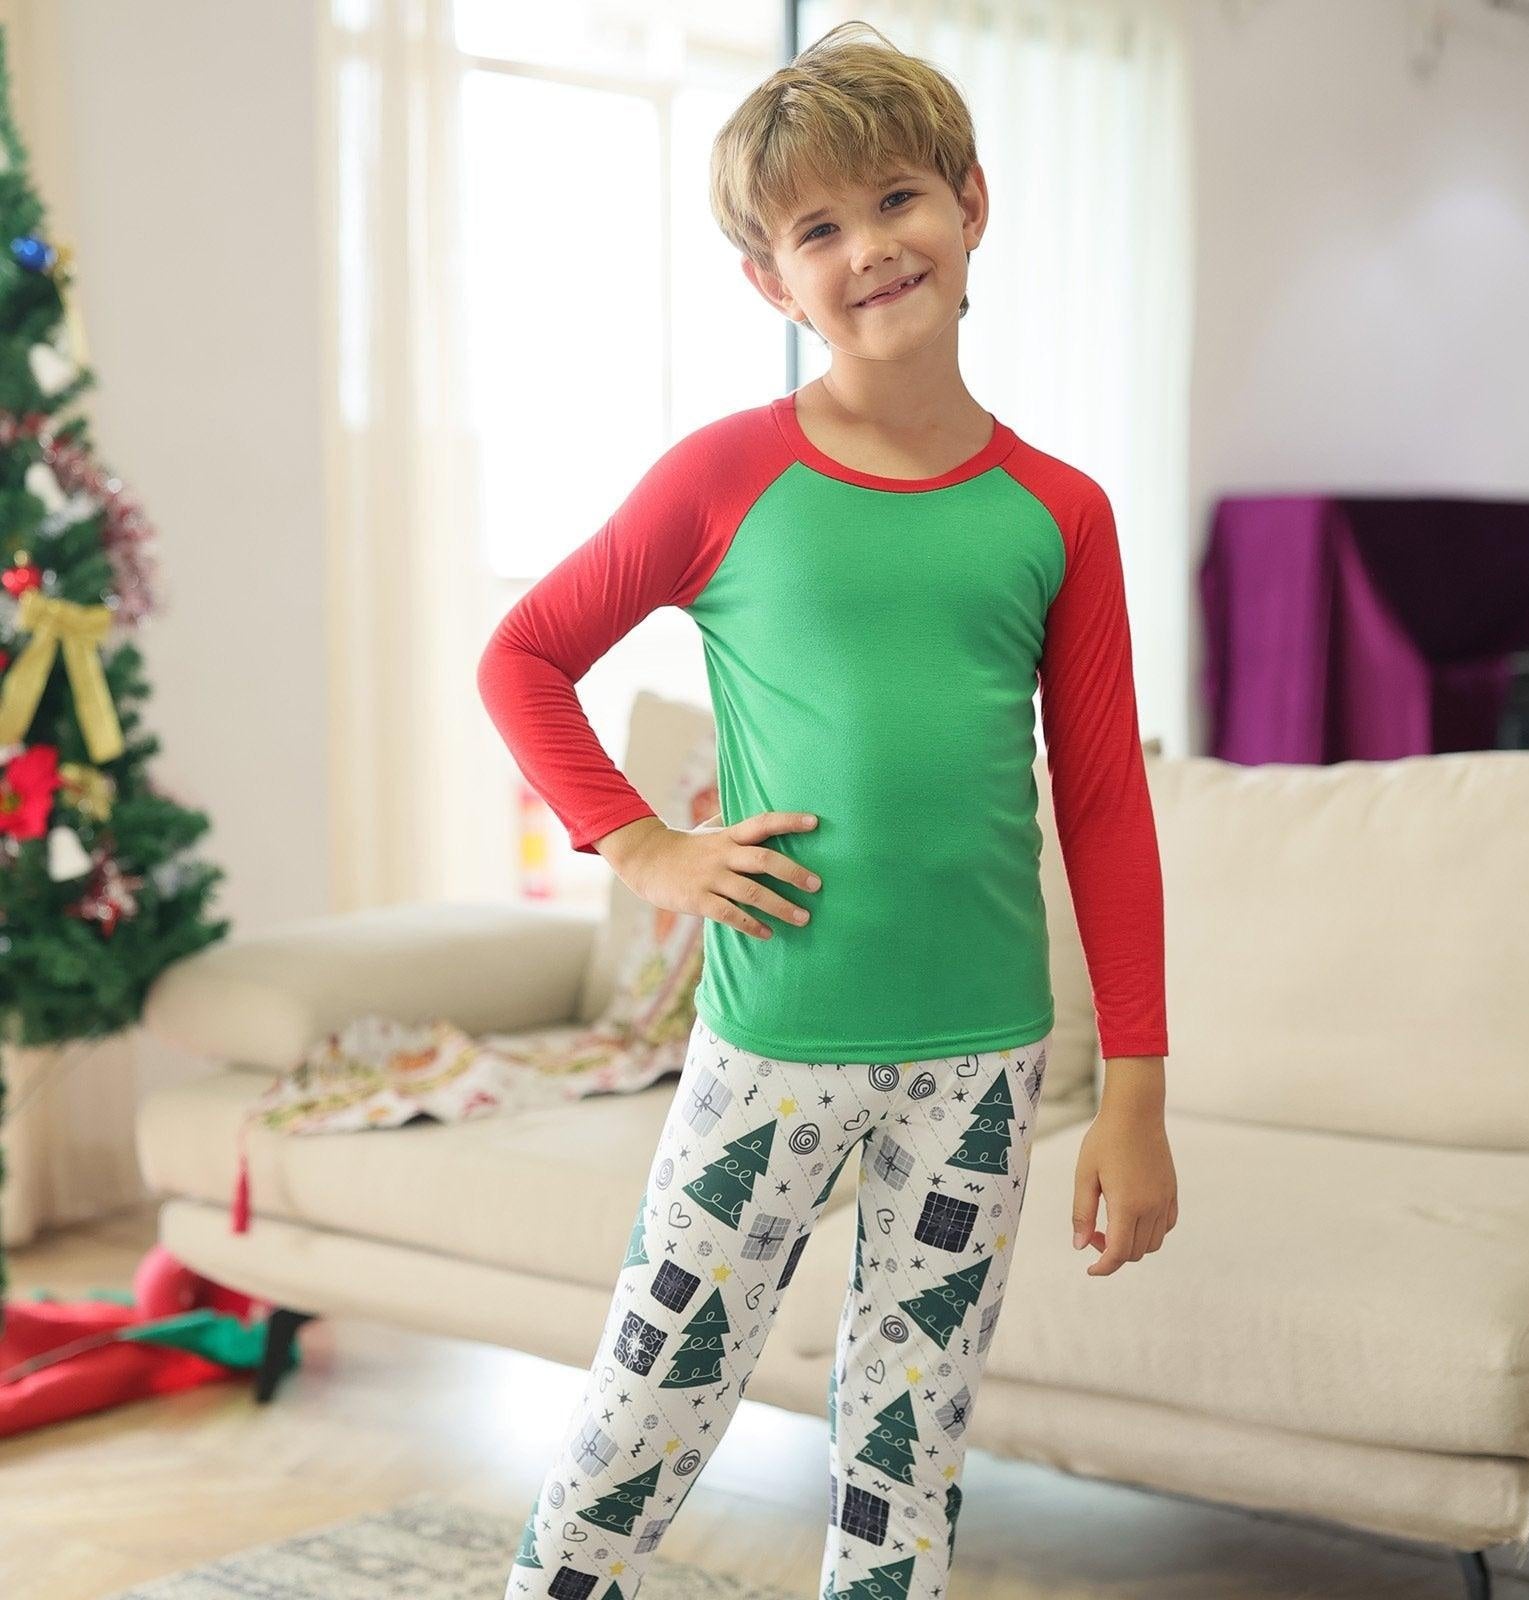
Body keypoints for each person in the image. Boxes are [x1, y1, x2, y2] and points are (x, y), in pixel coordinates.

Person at [475, 20, 1179, 1600]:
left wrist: (1132, 1088)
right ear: (770, 283)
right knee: (645, 1416)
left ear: (973, 205)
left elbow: (1109, 811)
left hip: (984, 1061)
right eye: (818, 230)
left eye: (900, 199)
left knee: (908, 1462)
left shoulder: (1061, 512)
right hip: (772, 1042)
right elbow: (523, 658)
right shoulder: (724, 477)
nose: (870, 249)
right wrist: (638, 842)